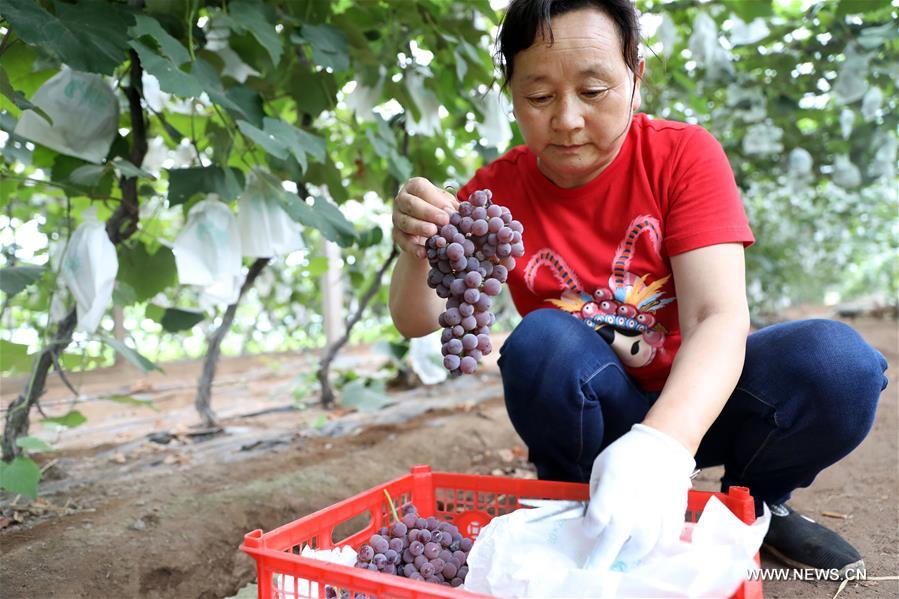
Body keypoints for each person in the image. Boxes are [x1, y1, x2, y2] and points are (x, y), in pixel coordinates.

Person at [388, 0, 888, 577]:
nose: (568, 120)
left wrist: (660, 449)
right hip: (592, 415)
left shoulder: (682, 157)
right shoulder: (492, 197)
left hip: (702, 403)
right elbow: (416, 321)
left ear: (635, 77)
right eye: (540, 97)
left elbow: (716, 318)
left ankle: (756, 503)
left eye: (594, 91)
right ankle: (573, 504)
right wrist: (414, 249)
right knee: (541, 340)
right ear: (511, 93)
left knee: (838, 366)